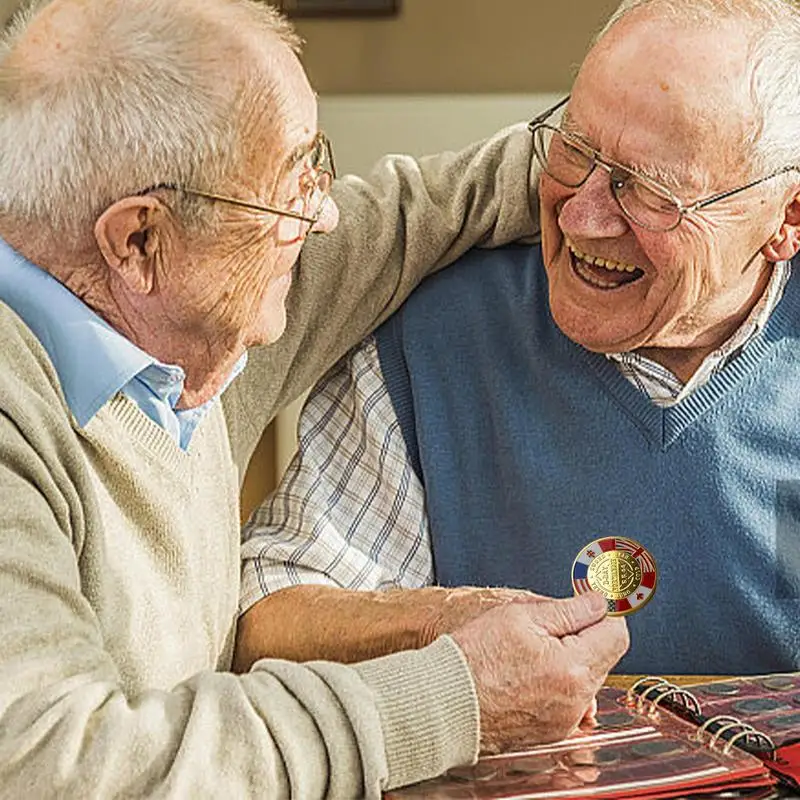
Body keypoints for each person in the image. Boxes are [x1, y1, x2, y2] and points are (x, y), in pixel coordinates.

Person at [0, 0, 629, 796]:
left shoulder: (184, 322)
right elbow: (61, 768)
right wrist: (453, 696)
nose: (322, 211)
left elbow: (413, 213)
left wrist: (631, 161)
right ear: (138, 240)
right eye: (293, 186)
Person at [239, 0, 800, 678]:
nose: (582, 217)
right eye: (575, 150)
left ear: (785, 217)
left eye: (650, 192)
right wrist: (448, 631)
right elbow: (272, 615)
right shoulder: (432, 336)